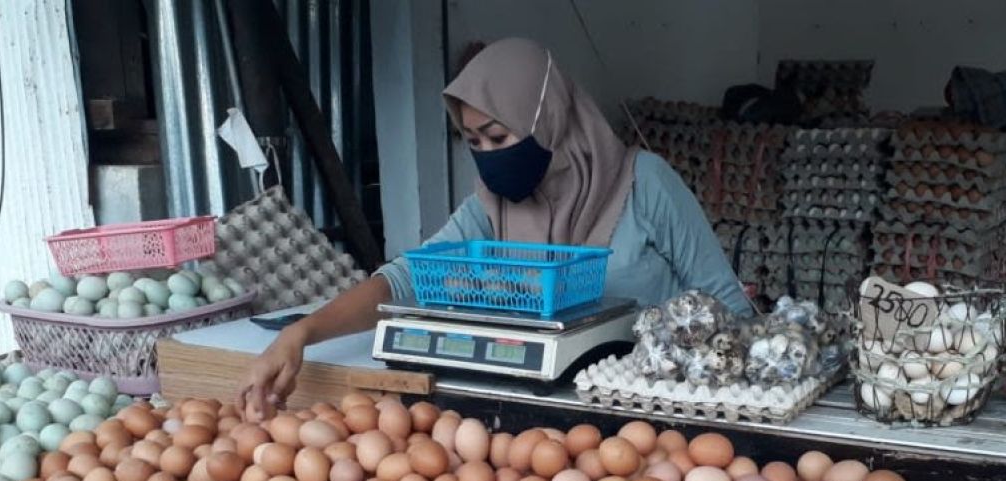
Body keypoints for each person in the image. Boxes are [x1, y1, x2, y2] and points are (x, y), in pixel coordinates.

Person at [238, 37, 751, 417]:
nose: (487, 157)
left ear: (546, 116)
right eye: (473, 142)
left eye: (498, 136)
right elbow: (407, 278)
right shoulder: (493, 205)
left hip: (655, 410)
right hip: (540, 419)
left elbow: (728, 303)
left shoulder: (645, 184)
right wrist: (302, 334)